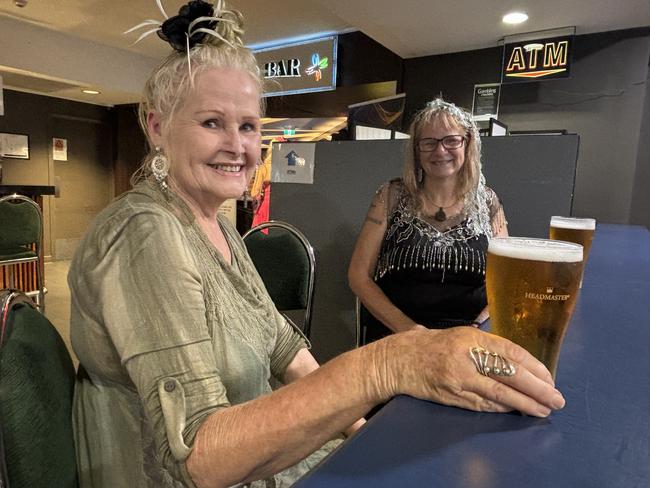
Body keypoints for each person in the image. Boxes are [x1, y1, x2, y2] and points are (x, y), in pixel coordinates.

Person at [69, 2, 564, 487]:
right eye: (211, 122)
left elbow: (283, 347)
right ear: (157, 127)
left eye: (247, 126)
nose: (238, 146)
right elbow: (198, 457)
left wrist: (360, 432)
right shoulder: (144, 234)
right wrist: (388, 364)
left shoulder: (212, 223)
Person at [349, 99, 508, 343]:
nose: (440, 150)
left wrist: (476, 329)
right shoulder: (390, 195)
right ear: (416, 150)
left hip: (468, 340)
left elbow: (506, 281)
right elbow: (359, 275)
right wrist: (412, 331)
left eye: (451, 140)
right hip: (399, 338)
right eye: (429, 142)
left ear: (468, 144)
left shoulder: (488, 202)